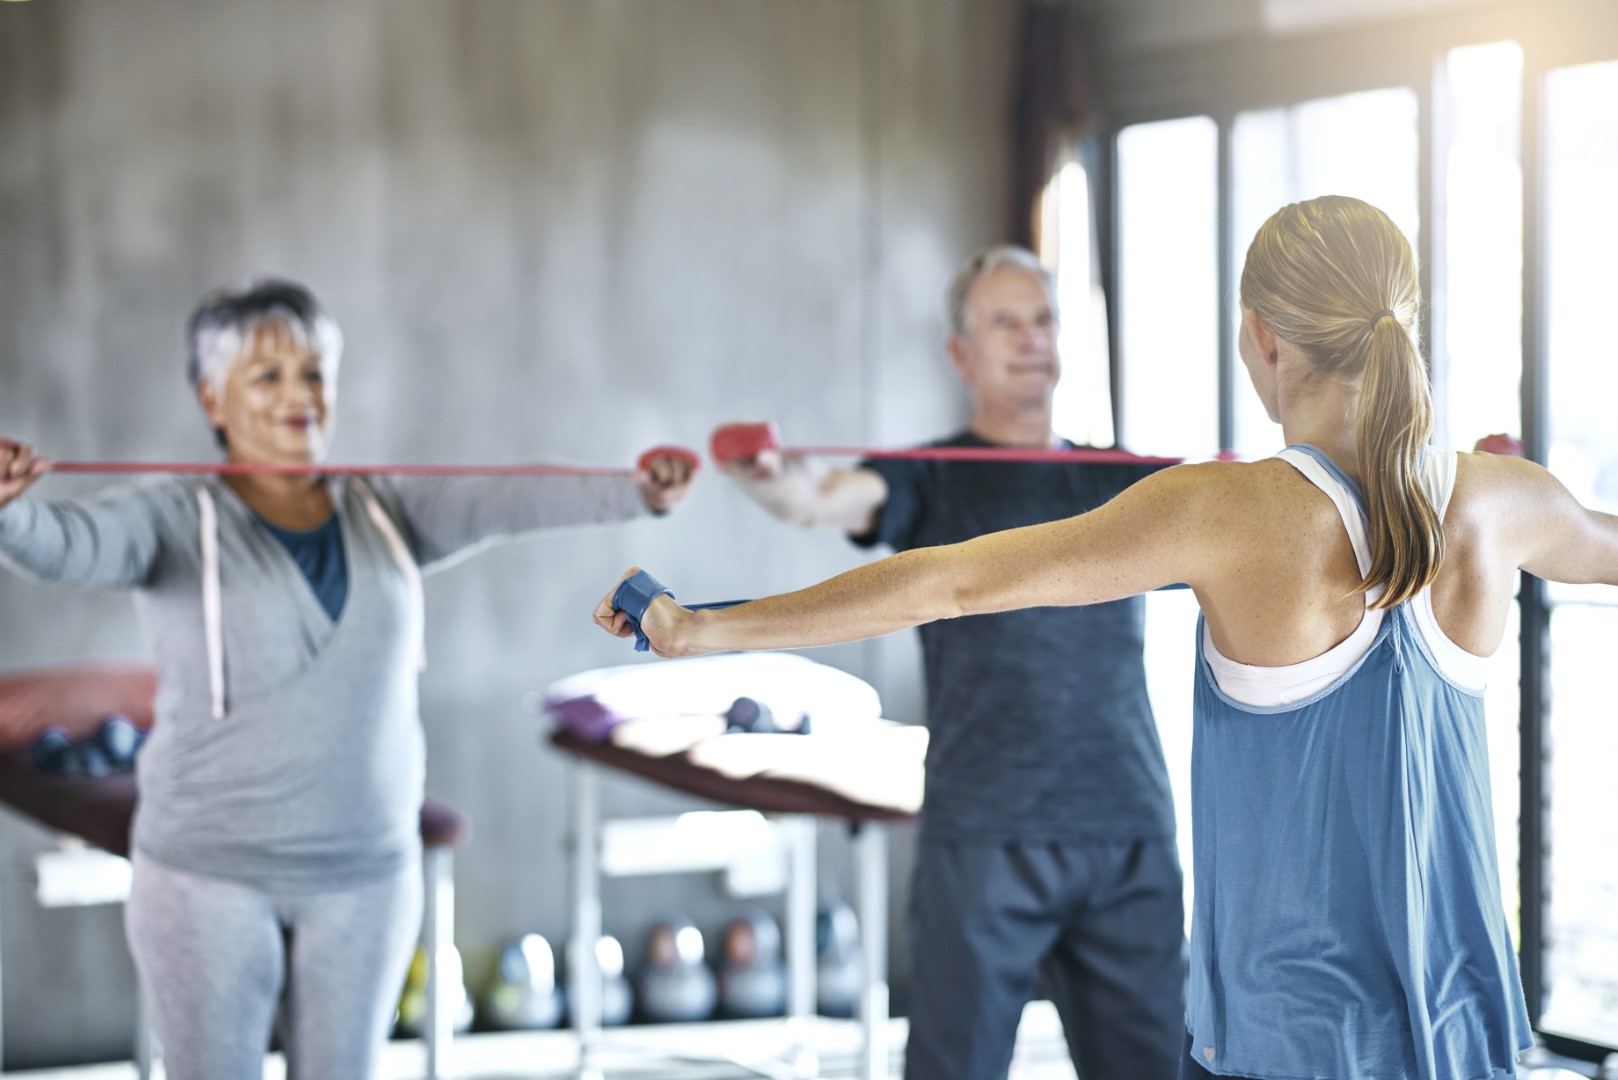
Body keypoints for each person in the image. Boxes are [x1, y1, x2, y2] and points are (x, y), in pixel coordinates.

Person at [600, 195, 1618, 1080]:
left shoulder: (1218, 508)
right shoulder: (1502, 500)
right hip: (1471, 1037)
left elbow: (950, 583)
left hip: (1279, 1041)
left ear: (1259, 337)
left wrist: (698, 628)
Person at [0, 279, 694, 1080]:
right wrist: (10, 513)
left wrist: (637, 491)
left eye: (314, 373)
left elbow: (504, 495)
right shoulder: (168, 517)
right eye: (268, 376)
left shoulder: (383, 508)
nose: (300, 395)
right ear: (211, 398)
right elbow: (68, 542)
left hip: (368, 873)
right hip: (208, 878)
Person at [714, 245, 1186, 1080]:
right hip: (984, 836)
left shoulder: (1126, 480)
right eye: (1006, 322)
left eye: (1043, 320)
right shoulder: (928, 475)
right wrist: (770, 476)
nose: (1031, 338)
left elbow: (1268, 514)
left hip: (1126, 828)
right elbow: (816, 497)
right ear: (960, 354)